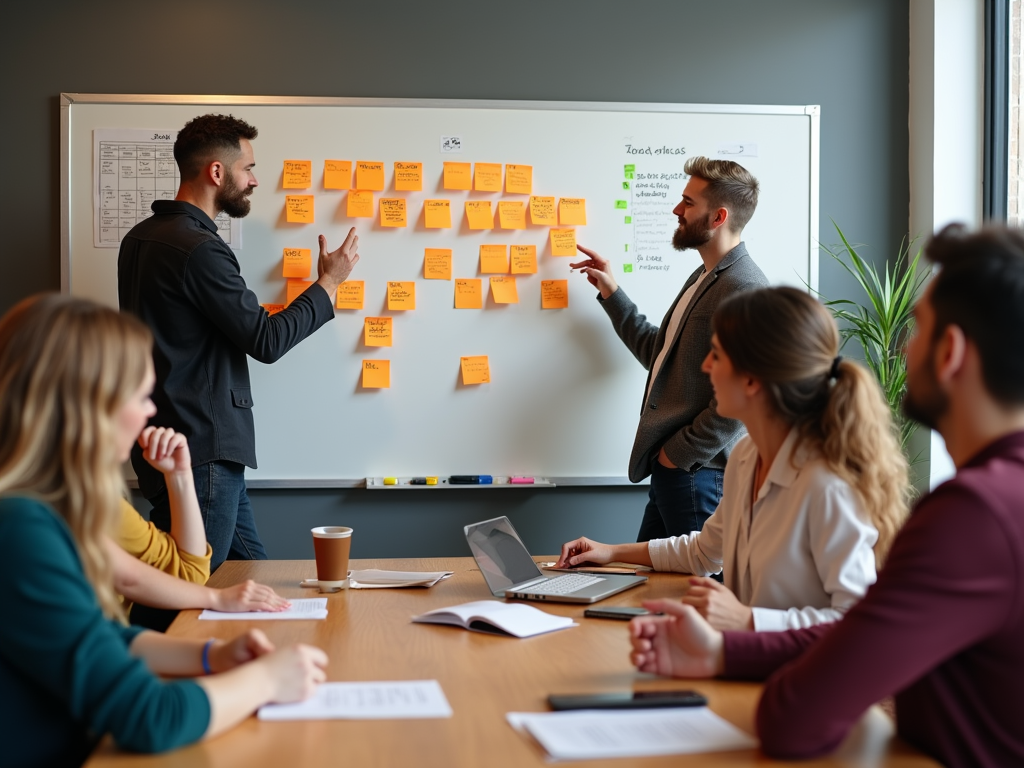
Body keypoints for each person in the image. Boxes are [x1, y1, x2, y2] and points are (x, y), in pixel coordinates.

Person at [628, 224, 1024, 768]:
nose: (904, 348)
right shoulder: (1002, 500)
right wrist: (725, 650)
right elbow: (857, 639)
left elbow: (794, 718)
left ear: (950, 351)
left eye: (919, 329)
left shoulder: (974, 515)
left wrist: (734, 640)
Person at [0, 294, 327, 768]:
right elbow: (150, 716)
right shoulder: (21, 530)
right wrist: (268, 681)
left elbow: (103, 639)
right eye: (140, 397)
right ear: (88, 408)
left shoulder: (41, 512)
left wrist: (214, 656)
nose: (150, 412)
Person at [557, 287, 908, 631]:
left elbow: (859, 624)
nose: (705, 366)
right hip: (748, 664)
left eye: (716, 355)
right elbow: (703, 552)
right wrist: (610, 552)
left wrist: (747, 620)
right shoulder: (745, 457)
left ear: (752, 380)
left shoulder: (826, 485)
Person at [118, 113, 362, 570]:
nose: (253, 180)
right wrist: (330, 283)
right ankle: (134, 643)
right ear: (216, 172)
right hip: (200, 450)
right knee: (185, 583)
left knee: (251, 572)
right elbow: (266, 340)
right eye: (248, 168)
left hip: (169, 443)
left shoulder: (139, 239)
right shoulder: (200, 248)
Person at [570, 156, 768, 543]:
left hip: (698, 471)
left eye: (688, 203)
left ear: (718, 217)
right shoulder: (703, 278)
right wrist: (611, 292)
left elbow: (750, 392)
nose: (677, 210)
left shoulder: (743, 288)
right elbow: (661, 357)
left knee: (699, 594)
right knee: (654, 585)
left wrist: (679, 454)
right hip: (679, 471)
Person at [116, 425, 289, 622]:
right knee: (173, 613)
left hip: (223, 448)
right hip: (206, 446)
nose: (151, 408)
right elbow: (185, 575)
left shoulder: (100, 504)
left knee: (257, 578)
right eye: (141, 399)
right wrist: (217, 599)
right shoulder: (102, 509)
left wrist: (179, 475)